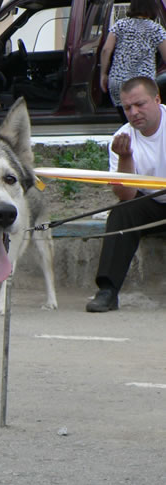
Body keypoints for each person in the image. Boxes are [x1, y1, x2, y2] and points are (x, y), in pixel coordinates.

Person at [87, 76, 166, 312]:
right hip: (150, 202)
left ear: (157, 99)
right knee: (122, 212)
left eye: (140, 104)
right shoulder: (122, 137)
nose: (134, 112)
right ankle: (108, 291)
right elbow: (126, 194)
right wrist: (126, 158)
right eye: (127, 107)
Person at [100, 0, 166, 122]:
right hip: (143, 84)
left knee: (127, 120)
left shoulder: (120, 25)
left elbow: (106, 50)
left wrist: (103, 74)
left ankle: (128, 138)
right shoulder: (156, 29)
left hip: (119, 81)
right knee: (144, 121)